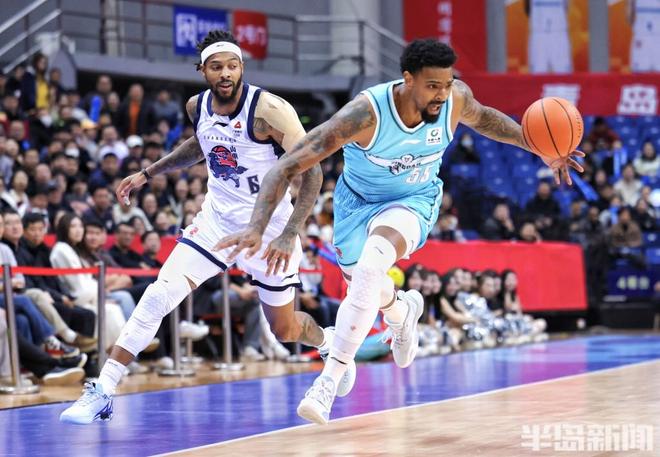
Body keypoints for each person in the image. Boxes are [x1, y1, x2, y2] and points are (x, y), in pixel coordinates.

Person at [217, 38, 583, 424]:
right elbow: (287, 165)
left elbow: (486, 118)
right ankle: (400, 310)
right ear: (408, 79)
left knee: (372, 265)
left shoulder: (455, 99)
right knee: (366, 283)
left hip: (414, 200)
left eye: (447, 84)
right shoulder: (364, 114)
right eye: (432, 86)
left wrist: (538, 146)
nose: (442, 94)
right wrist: (260, 225)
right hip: (356, 205)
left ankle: (328, 380)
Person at [60, 29, 355, 424]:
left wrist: (289, 233)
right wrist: (148, 173)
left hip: (270, 230)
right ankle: (104, 388)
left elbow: (313, 171)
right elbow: (200, 145)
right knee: (158, 294)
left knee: (285, 329)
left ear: (241, 67)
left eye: (232, 65)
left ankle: (327, 340)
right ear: (202, 70)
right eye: (216, 67)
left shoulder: (269, 110)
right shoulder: (196, 106)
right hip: (216, 222)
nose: (226, 73)